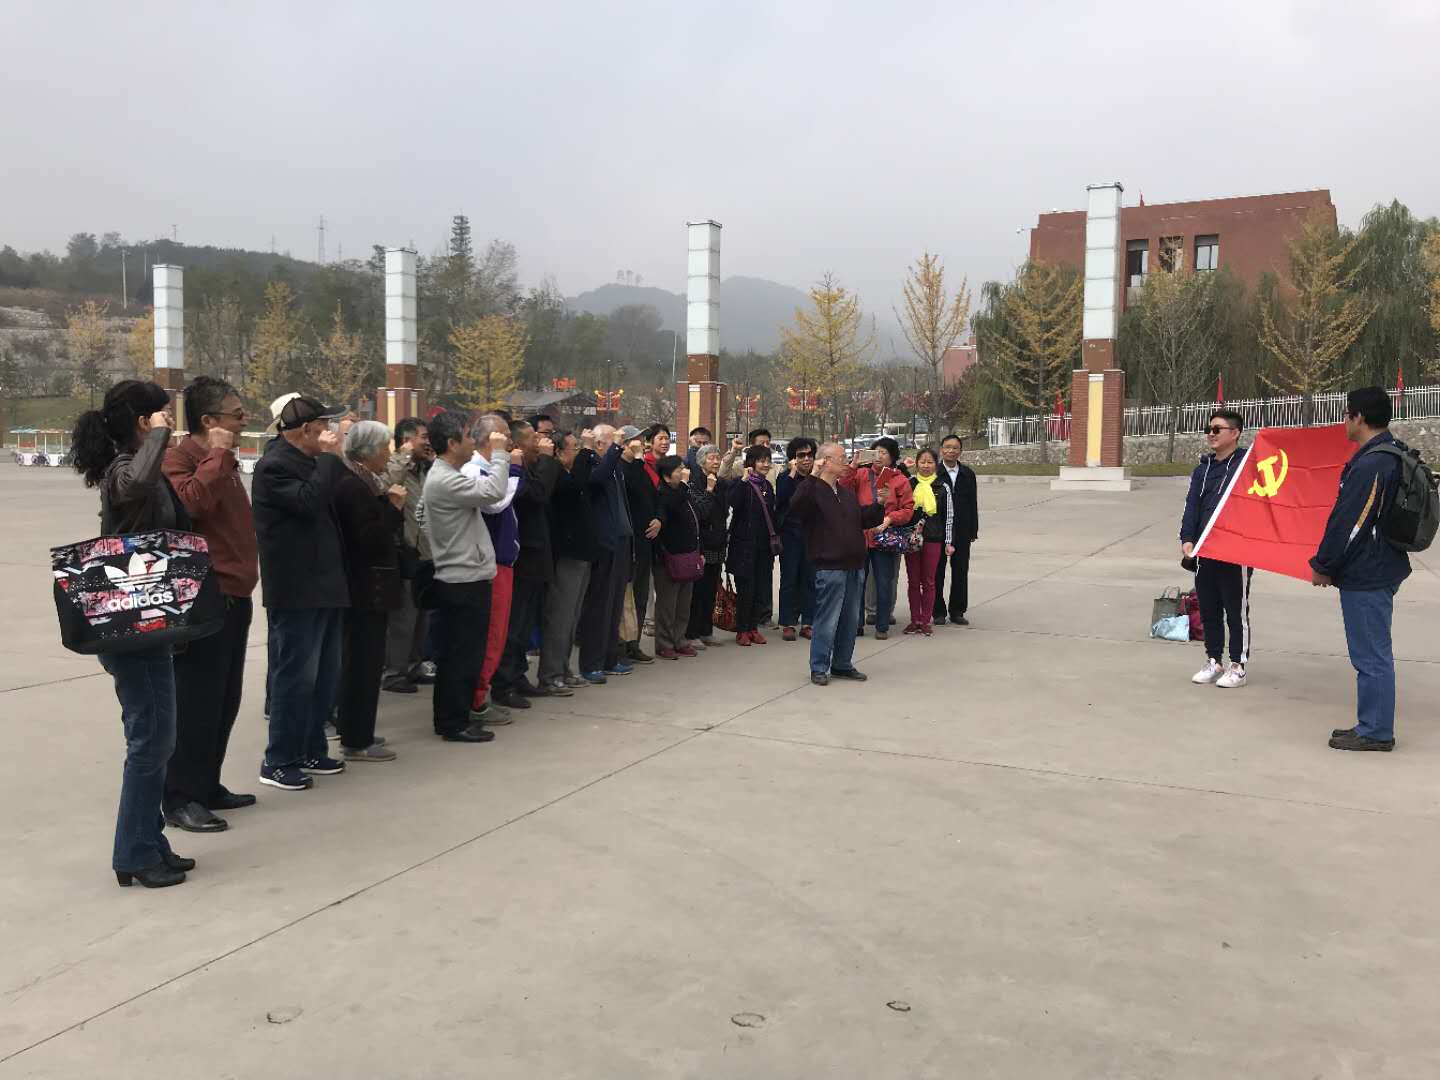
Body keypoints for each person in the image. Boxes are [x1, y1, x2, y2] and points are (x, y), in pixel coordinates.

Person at [70, 380, 195, 887]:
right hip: (131, 625)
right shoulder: (124, 469)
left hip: (148, 620)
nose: (170, 422)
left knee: (157, 738)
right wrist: (159, 438)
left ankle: (149, 840)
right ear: (145, 422)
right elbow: (136, 485)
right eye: (162, 415)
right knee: (150, 739)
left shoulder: (138, 465)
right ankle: (135, 855)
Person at [161, 376, 258, 834]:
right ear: (208, 420)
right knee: (196, 702)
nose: (243, 420)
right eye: (236, 414)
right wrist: (217, 456)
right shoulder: (179, 459)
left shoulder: (225, 461)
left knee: (224, 699)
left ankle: (207, 783)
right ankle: (181, 797)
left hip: (236, 593)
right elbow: (190, 505)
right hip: (204, 595)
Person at [252, 395, 351, 791]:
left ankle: (310, 747)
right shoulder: (274, 466)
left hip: (325, 583)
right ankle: (279, 759)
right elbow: (308, 503)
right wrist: (328, 460)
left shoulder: (310, 461)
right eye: (324, 426)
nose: (330, 432)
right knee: (295, 676)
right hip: (296, 588)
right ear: (307, 430)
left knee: (325, 675)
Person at [1311, 387, 1413, 752]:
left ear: (1360, 418)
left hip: (1368, 572)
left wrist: (1324, 565)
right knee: (1372, 652)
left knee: (1371, 655)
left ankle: (1376, 731)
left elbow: (1351, 524)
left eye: (1346, 414)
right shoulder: (1388, 453)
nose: (1344, 421)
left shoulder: (1372, 464)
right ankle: (1371, 724)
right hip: (1380, 564)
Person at [421, 411, 512, 743]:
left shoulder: (447, 475)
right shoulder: (445, 478)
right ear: (451, 443)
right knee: (460, 655)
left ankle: (453, 718)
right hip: (461, 579)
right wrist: (500, 454)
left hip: (465, 574)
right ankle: (453, 722)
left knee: (462, 653)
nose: (474, 442)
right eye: (468, 436)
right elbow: (493, 492)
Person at [333, 421, 406, 762]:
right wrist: (392, 508)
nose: (388, 455)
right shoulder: (353, 485)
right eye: (384, 448)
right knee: (362, 664)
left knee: (367, 662)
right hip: (365, 588)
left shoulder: (363, 480)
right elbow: (369, 539)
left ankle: (359, 730)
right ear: (368, 451)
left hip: (368, 586)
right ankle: (356, 738)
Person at [787, 442, 888, 685]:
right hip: (829, 566)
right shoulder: (813, 490)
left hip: (854, 564)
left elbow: (860, 520)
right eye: (841, 458)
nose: (846, 462)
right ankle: (819, 666)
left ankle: (842, 664)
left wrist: (879, 505)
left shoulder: (845, 493)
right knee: (827, 619)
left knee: (850, 620)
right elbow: (796, 506)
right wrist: (813, 475)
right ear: (826, 461)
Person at [492, 418, 564, 704]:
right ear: (518, 444)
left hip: (537, 555)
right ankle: (504, 683)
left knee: (525, 624)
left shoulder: (530, 468)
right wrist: (546, 460)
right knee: (514, 624)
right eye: (534, 438)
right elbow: (537, 495)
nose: (541, 443)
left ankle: (518, 674)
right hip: (522, 556)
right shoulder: (514, 470)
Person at [1180, 409, 1253, 689]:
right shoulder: (1203, 469)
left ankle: (1238, 665)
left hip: (1236, 551)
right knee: (1209, 609)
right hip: (1205, 550)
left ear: (1234, 433)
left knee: (1235, 611)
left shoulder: (1246, 466)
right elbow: (1192, 506)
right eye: (1208, 429)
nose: (1211, 434)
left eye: (1217, 429)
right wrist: (1188, 538)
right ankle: (1214, 660)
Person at [465, 415, 525, 719]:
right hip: (489, 563)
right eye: (503, 436)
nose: (510, 442)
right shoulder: (475, 469)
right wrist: (512, 468)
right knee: (490, 635)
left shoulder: (492, 467)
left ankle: (480, 695)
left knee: (498, 634)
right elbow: (495, 502)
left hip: (502, 560)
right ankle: (475, 700)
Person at [539, 432, 596, 693]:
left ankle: (563, 668)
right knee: (560, 618)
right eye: (574, 448)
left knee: (572, 617)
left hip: (581, 553)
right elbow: (574, 489)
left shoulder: (571, 474)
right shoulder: (557, 475)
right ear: (559, 453)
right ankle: (550, 674)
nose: (578, 452)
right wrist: (587, 452)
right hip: (565, 555)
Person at [577, 425, 634, 683]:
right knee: (599, 606)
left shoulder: (615, 467)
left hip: (622, 540)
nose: (620, 445)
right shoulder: (593, 464)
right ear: (599, 444)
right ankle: (592, 663)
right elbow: (595, 480)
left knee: (615, 606)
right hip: (605, 543)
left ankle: (610, 657)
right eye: (614, 441)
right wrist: (613, 451)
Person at [843, 437, 914, 640]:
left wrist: (890, 518)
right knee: (857, 582)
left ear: (892, 457)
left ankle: (882, 626)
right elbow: (843, 486)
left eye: (884, 453)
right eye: (875, 452)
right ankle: (856, 624)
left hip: (885, 538)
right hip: (861, 537)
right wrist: (853, 465)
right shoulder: (861, 474)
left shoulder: (899, 480)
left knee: (884, 582)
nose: (879, 456)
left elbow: (908, 509)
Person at [382, 417, 434, 694]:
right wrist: (403, 457)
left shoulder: (425, 468)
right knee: (403, 619)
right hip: (404, 550)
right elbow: (386, 485)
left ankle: (414, 665)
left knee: (421, 615)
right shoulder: (395, 466)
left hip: (426, 551)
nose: (428, 441)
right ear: (407, 440)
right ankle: (394, 672)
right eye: (423, 437)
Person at [727, 444, 779, 645]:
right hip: (744, 546)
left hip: (763, 547)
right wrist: (743, 480)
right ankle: (742, 630)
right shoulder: (742, 484)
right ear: (751, 463)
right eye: (761, 461)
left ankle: (753, 628)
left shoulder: (767, 486)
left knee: (760, 589)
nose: (765, 464)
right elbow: (733, 502)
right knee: (745, 590)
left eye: (768, 461)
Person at [652, 455, 702, 658]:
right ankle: (664, 643)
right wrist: (683, 485)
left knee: (683, 604)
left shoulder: (683, 493)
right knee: (667, 605)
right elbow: (670, 506)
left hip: (688, 555)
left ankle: (680, 639)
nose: (683, 472)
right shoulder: (662, 494)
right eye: (679, 469)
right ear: (666, 476)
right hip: (668, 558)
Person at [621, 428, 661, 664]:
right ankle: (622, 645)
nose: (642, 443)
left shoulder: (641, 468)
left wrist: (658, 519)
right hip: (630, 542)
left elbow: (654, 496)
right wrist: (637, 459)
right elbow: (633, 487)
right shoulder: (622, 468)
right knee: (626, 599)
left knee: (641, 596)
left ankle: (633, 644)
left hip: (646, 540)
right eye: (637, 440)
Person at [904, 448, 954, 637]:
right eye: (922, 462)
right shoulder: (909, 484)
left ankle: (925, 621)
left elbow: (949, 517)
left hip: (934, 538)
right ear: (917, 464)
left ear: (936, 464)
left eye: (930, 462)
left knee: (929, 581)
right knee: (913, 581)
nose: (926, 465)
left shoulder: (943, 487)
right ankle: (914, 620)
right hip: (912, 538)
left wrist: (949, 541)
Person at [685, 444, 729, 649]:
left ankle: (706, 630)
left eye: (717, 457)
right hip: (702, 543)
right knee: (698, 592)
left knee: (711, 589)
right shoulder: (694, 482)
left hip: (718, 541)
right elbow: (700, 512)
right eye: (711, 458)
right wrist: (709, 490)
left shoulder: (721, 482)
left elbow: (724, 510)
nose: (716, 461)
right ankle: (692, 632)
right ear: (701, 461)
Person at [932, 434, 978, 626]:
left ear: (960, 451)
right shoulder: (934, 473)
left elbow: (973, 503)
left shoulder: (968, 474)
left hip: (962, 529)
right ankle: (938, 611)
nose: (951, 451)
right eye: (947, 447)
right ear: (941, 449)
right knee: (937, 572)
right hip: (938, 530)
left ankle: (957, 611)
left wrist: (973, 529)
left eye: (955, 448)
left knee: (960, 571)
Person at [775, 437, 818, 641]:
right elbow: (782, 498)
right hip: (790, 535)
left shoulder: (817, 478)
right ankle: (788, 622)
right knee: (789, 579)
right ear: (793, 458)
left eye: (810, 455)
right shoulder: (785, 478)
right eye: (801, 455)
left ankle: (808, 622)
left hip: (812, 534)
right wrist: (792, 472)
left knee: (810, 579)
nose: (806, 459)